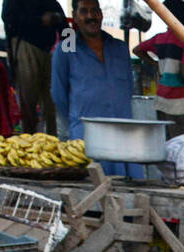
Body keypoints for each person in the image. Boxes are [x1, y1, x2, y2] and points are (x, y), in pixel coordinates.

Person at [51, 0, 142, 177]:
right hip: (87, 140)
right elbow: (58, 94)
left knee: (129, 194)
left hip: (124, 138)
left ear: (101, 14)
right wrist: (79, 116)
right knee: (92, 197)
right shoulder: (65, 50)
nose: (91, 16)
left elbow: (128, 88)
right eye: (84, 11)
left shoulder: (120, 48)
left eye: (95, 11)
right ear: (75, 17)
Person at [134, 0, 184, 139]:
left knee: (170, 143)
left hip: (161, 98)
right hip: (180, 100)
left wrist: (156, 64)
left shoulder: (160, 38)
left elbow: (137, 50)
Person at [1, 0, 66, 133]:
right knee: (28, 103)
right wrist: (40, 20)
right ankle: (29, 143)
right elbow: (9, 18)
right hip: (26, 47)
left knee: (51, 105)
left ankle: (51, 143)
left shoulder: (52, 3)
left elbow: (65, 29)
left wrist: (72, 52)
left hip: (48, 51)